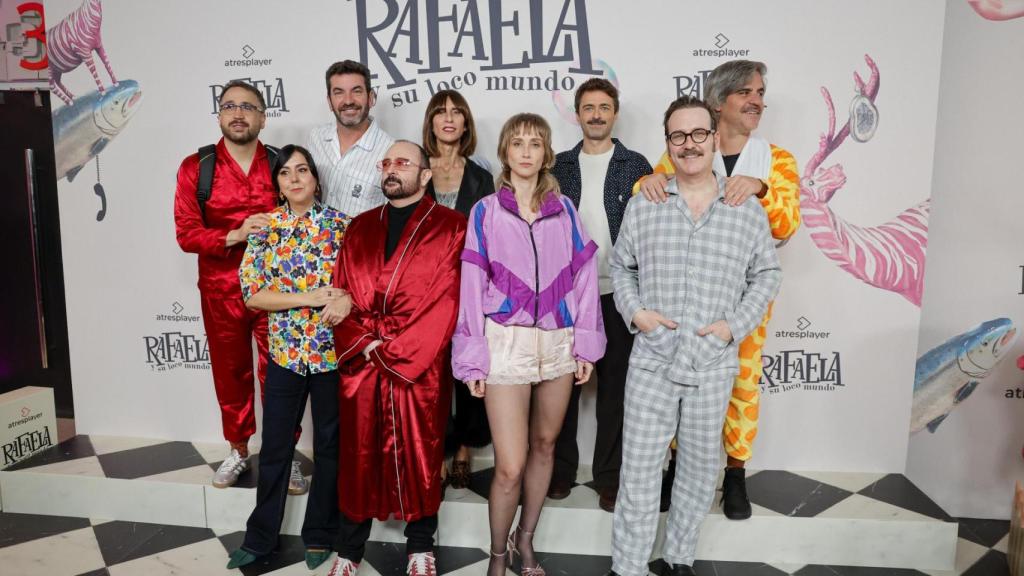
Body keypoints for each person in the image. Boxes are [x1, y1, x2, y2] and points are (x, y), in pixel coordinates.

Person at [608, 96, 781, 576]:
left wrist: (734, 326)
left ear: (715, 137)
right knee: (640, 473)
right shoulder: (647, 203)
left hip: (713, 363)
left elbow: (767, 274)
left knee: (701, 470)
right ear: (668, 144)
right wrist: (637, 313)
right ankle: (627, 567)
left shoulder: (744, 208)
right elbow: (621, 267)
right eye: (678, 136)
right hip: (652, 361)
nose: (689, 145)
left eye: (698, 134)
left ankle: (679, 560)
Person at [635, 60, 800, 519]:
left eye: (761, 93)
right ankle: (672, 466)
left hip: (744, 295)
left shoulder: (776, 159)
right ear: (718, 102)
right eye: (747, 92)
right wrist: (647, 180)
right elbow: (647, 206)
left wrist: (762, 188)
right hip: (685, 290)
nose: (757, 101)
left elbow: (788, 222)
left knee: (744, 384)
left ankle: (734, 475)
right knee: (675, 373)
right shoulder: (680, 152)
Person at [453, 113, 606, 576]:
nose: (525, 151)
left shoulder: (565, 210)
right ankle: (497, 556)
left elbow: (584, 279)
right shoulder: (484, 211)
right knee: (510, 466)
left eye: (534, 143)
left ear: (546, 154)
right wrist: (473, 356)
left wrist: (585, 345)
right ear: (505, 151)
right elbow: (471, 286)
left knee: (545, 447)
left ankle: (526, 542)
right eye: (516, 143)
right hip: (505, 345)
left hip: (558, 345)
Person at [325, 141, 466, 576]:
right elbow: (340, 293)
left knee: (422, 454)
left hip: (416, 367)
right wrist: (365, 341)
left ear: (425, 175)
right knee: (358, 455)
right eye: (385, 162)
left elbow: (448, 300)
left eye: (402, 162)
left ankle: (420, 547)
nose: (390, 169)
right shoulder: (360, 226)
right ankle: (349, 551)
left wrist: (396, 351)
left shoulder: (451, 227)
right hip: (362, 363)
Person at [174, 80, 306, 493]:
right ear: (219, 115)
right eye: (230, 105)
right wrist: (234, 234)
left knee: (282, 376)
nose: (238, 113)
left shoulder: (280, 164)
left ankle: (284, 456)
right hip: (221, 290)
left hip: (277, 291)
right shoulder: (197, 167)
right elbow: (186, 234)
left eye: (248, 106)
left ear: (263, 117)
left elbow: (302, 215)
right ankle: (237, 450)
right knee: (230, 374)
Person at [226, 146, 349, 570]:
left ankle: (321, 532)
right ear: (277, 184)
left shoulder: (342, 226)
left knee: (331, 447)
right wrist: (307, 298)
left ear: (315, 178)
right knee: (276, 447)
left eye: (302, 170)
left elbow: (358, 285)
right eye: (285, 173)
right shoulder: (264, 229)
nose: (294, 178)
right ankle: (260, 538)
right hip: (285, 355)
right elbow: (252, 295)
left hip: (333, 355)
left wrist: (345, 297)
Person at [549, 78, 653, 512]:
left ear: (614, 113)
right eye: (588, 107)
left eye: (603, 107)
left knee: (616, 387)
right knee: (560, 386)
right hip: (566, 295)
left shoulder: (637, 165)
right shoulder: (556, 166)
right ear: (577, 114)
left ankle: (611, 475)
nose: (595, 114)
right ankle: (559, 470)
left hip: (620, 290)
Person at [421, 89, 494, 488]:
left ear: (466, 123)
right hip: (423, 291)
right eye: (441, 112)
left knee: (468, 370)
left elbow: (488, 237)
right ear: (431, 122)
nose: (449, 118)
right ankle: (437, 448)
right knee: (430, 375)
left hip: (468, 287)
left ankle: (465, 448)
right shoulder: (416, 167)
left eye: (456, 112)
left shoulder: (481, 176)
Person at [308, 60, 395, 216]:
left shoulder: (390, 150)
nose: (348, 101)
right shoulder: (316, 138)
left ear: (370, 97)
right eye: (339, 92)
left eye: (356, 91)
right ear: (329, 101)